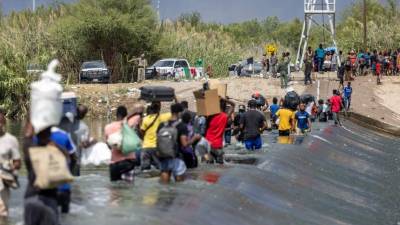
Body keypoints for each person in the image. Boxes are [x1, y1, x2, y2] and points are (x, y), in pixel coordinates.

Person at [158, 103, 188, 183]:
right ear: (180, 113)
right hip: (176, 158)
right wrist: (194, 139)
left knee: (164, 186)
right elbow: (184, 144)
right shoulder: (182, 126)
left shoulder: (162, 125)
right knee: (179, 186)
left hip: (163, 157)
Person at [105, 106, 137, 182]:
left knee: (114, 190)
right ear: (126, 115)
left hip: (114, 163)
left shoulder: (108, 127)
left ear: (116, 115)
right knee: (128, 189)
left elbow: (108, 144)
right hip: (128, 162)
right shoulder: (130, 126)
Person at [0, 111, 21, 218]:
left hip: (3, 183)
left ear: (3, 123)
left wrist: (10, 168)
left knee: (2, 214)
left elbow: (18, 162)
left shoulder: (11, 140)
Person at [140, 101, 172, 170]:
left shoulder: (145, 119)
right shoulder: (162, 117)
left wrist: (144, 139)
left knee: (145, 170)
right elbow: (177, 112)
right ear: (159, 109)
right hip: (157, 147)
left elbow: (142, 132)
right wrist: (174, 97)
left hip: (146, 147)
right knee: (161, 168)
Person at [205, 98, 235, 164]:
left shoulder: (210, 116)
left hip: (207, 145)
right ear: (224, 107)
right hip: (217, 145)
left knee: (208, 166)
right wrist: (224, 99)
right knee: (220, 167)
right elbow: (233, 104)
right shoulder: (225, 116)